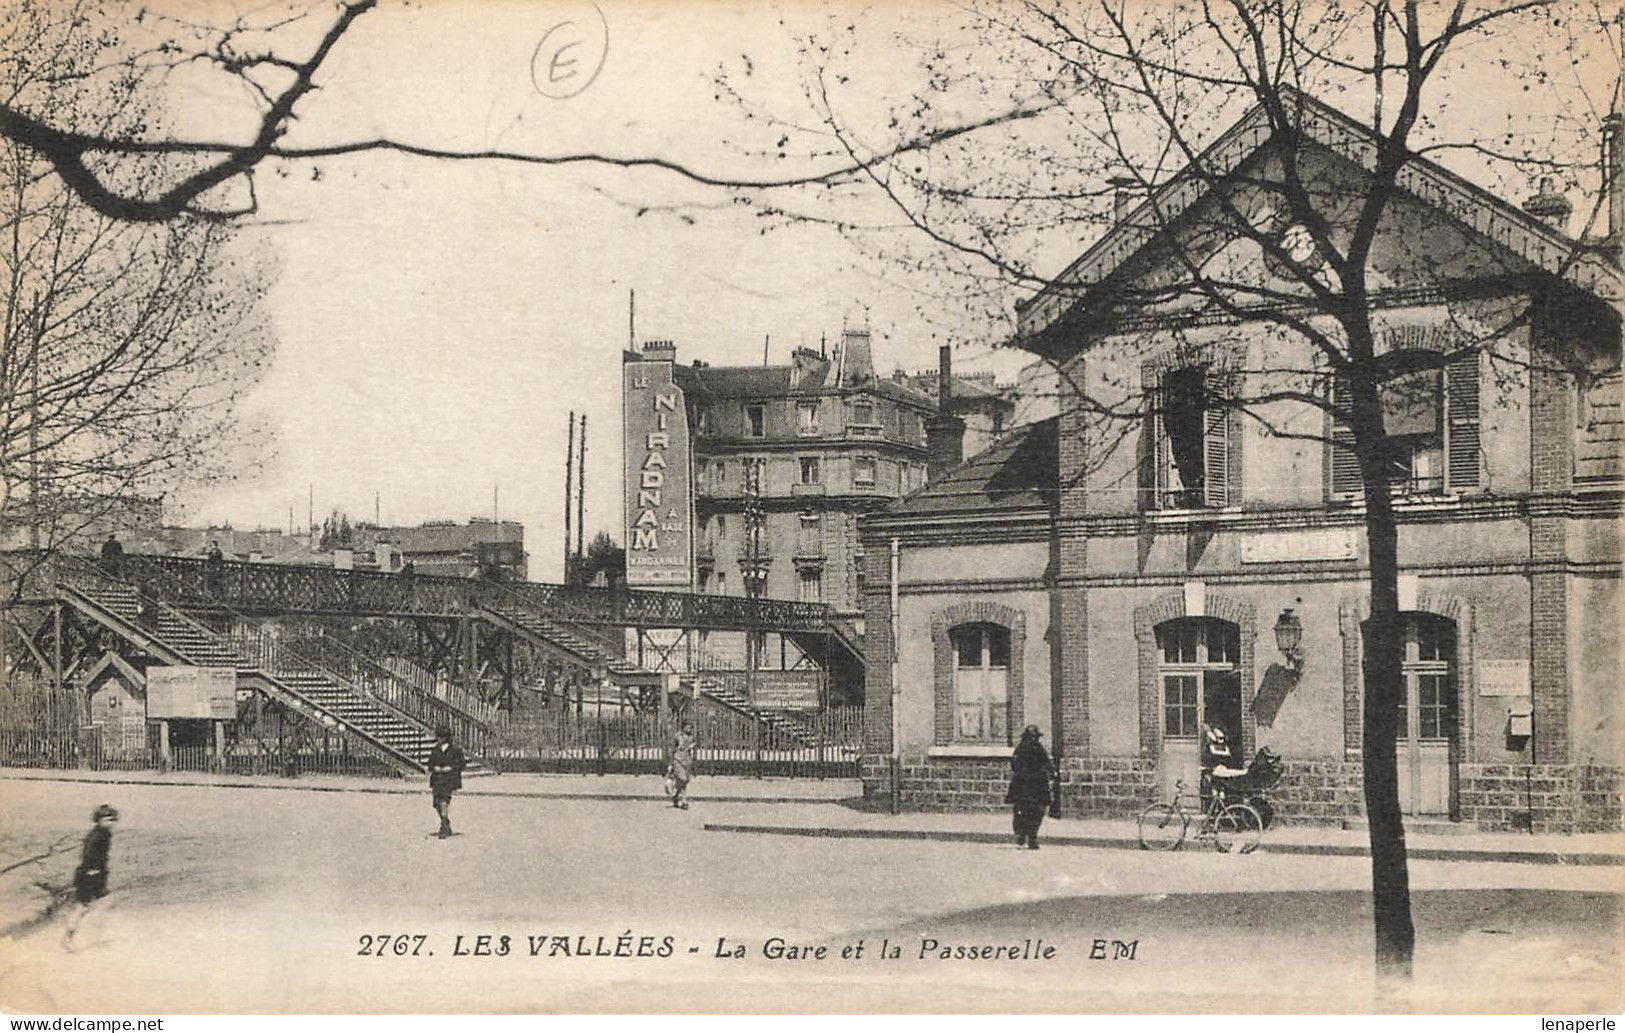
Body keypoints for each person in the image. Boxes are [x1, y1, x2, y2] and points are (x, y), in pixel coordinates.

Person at [63, 804, 118, 951]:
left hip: (97, 874)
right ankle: (69, 939)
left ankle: (91, 936)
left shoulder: (104, 834)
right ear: (99, 820)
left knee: (104, 902)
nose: (110, 822)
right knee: (82, 908)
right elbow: (88, 854)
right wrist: (92, 870)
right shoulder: (97, 835)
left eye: (113, 819)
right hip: (89, 875)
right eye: (107, 819)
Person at [1005, 725, 1054, 850]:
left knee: (1030, 813)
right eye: (1031, 737)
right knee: (1028, 813)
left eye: (1034, 737)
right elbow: (1015, 764)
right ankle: (1026, 836)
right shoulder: (1025, 749)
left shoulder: (1032, 749)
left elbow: (1047, 764)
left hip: (1029, 786)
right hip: (1030, 786)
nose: (1033, 740)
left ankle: (1028, 836)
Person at [427, 725, 466, 838]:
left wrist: (451, 767)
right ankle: (446, 822)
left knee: (444, 799)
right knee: (436, 803)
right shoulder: (435, 749)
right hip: (437, 778)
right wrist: (435, 768)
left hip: (449, 778)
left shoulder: (455, 749)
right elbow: (430, 763)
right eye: (439, 737)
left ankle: (443, 825)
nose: (440, 739)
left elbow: (461, 764)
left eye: (442, 737)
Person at [666, 722, 697, 810]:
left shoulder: (692, 737)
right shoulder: (677, 736)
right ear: (683, 727)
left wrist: (692, 746)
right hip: (677, 760)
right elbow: (672, 749)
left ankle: (678, 797)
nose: (689, 729)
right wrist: (670, 763)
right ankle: (683, 800)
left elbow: (694, 745)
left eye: (691, 727)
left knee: (685, 781)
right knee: (682, 779)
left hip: (687, 761)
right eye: (687, 727)